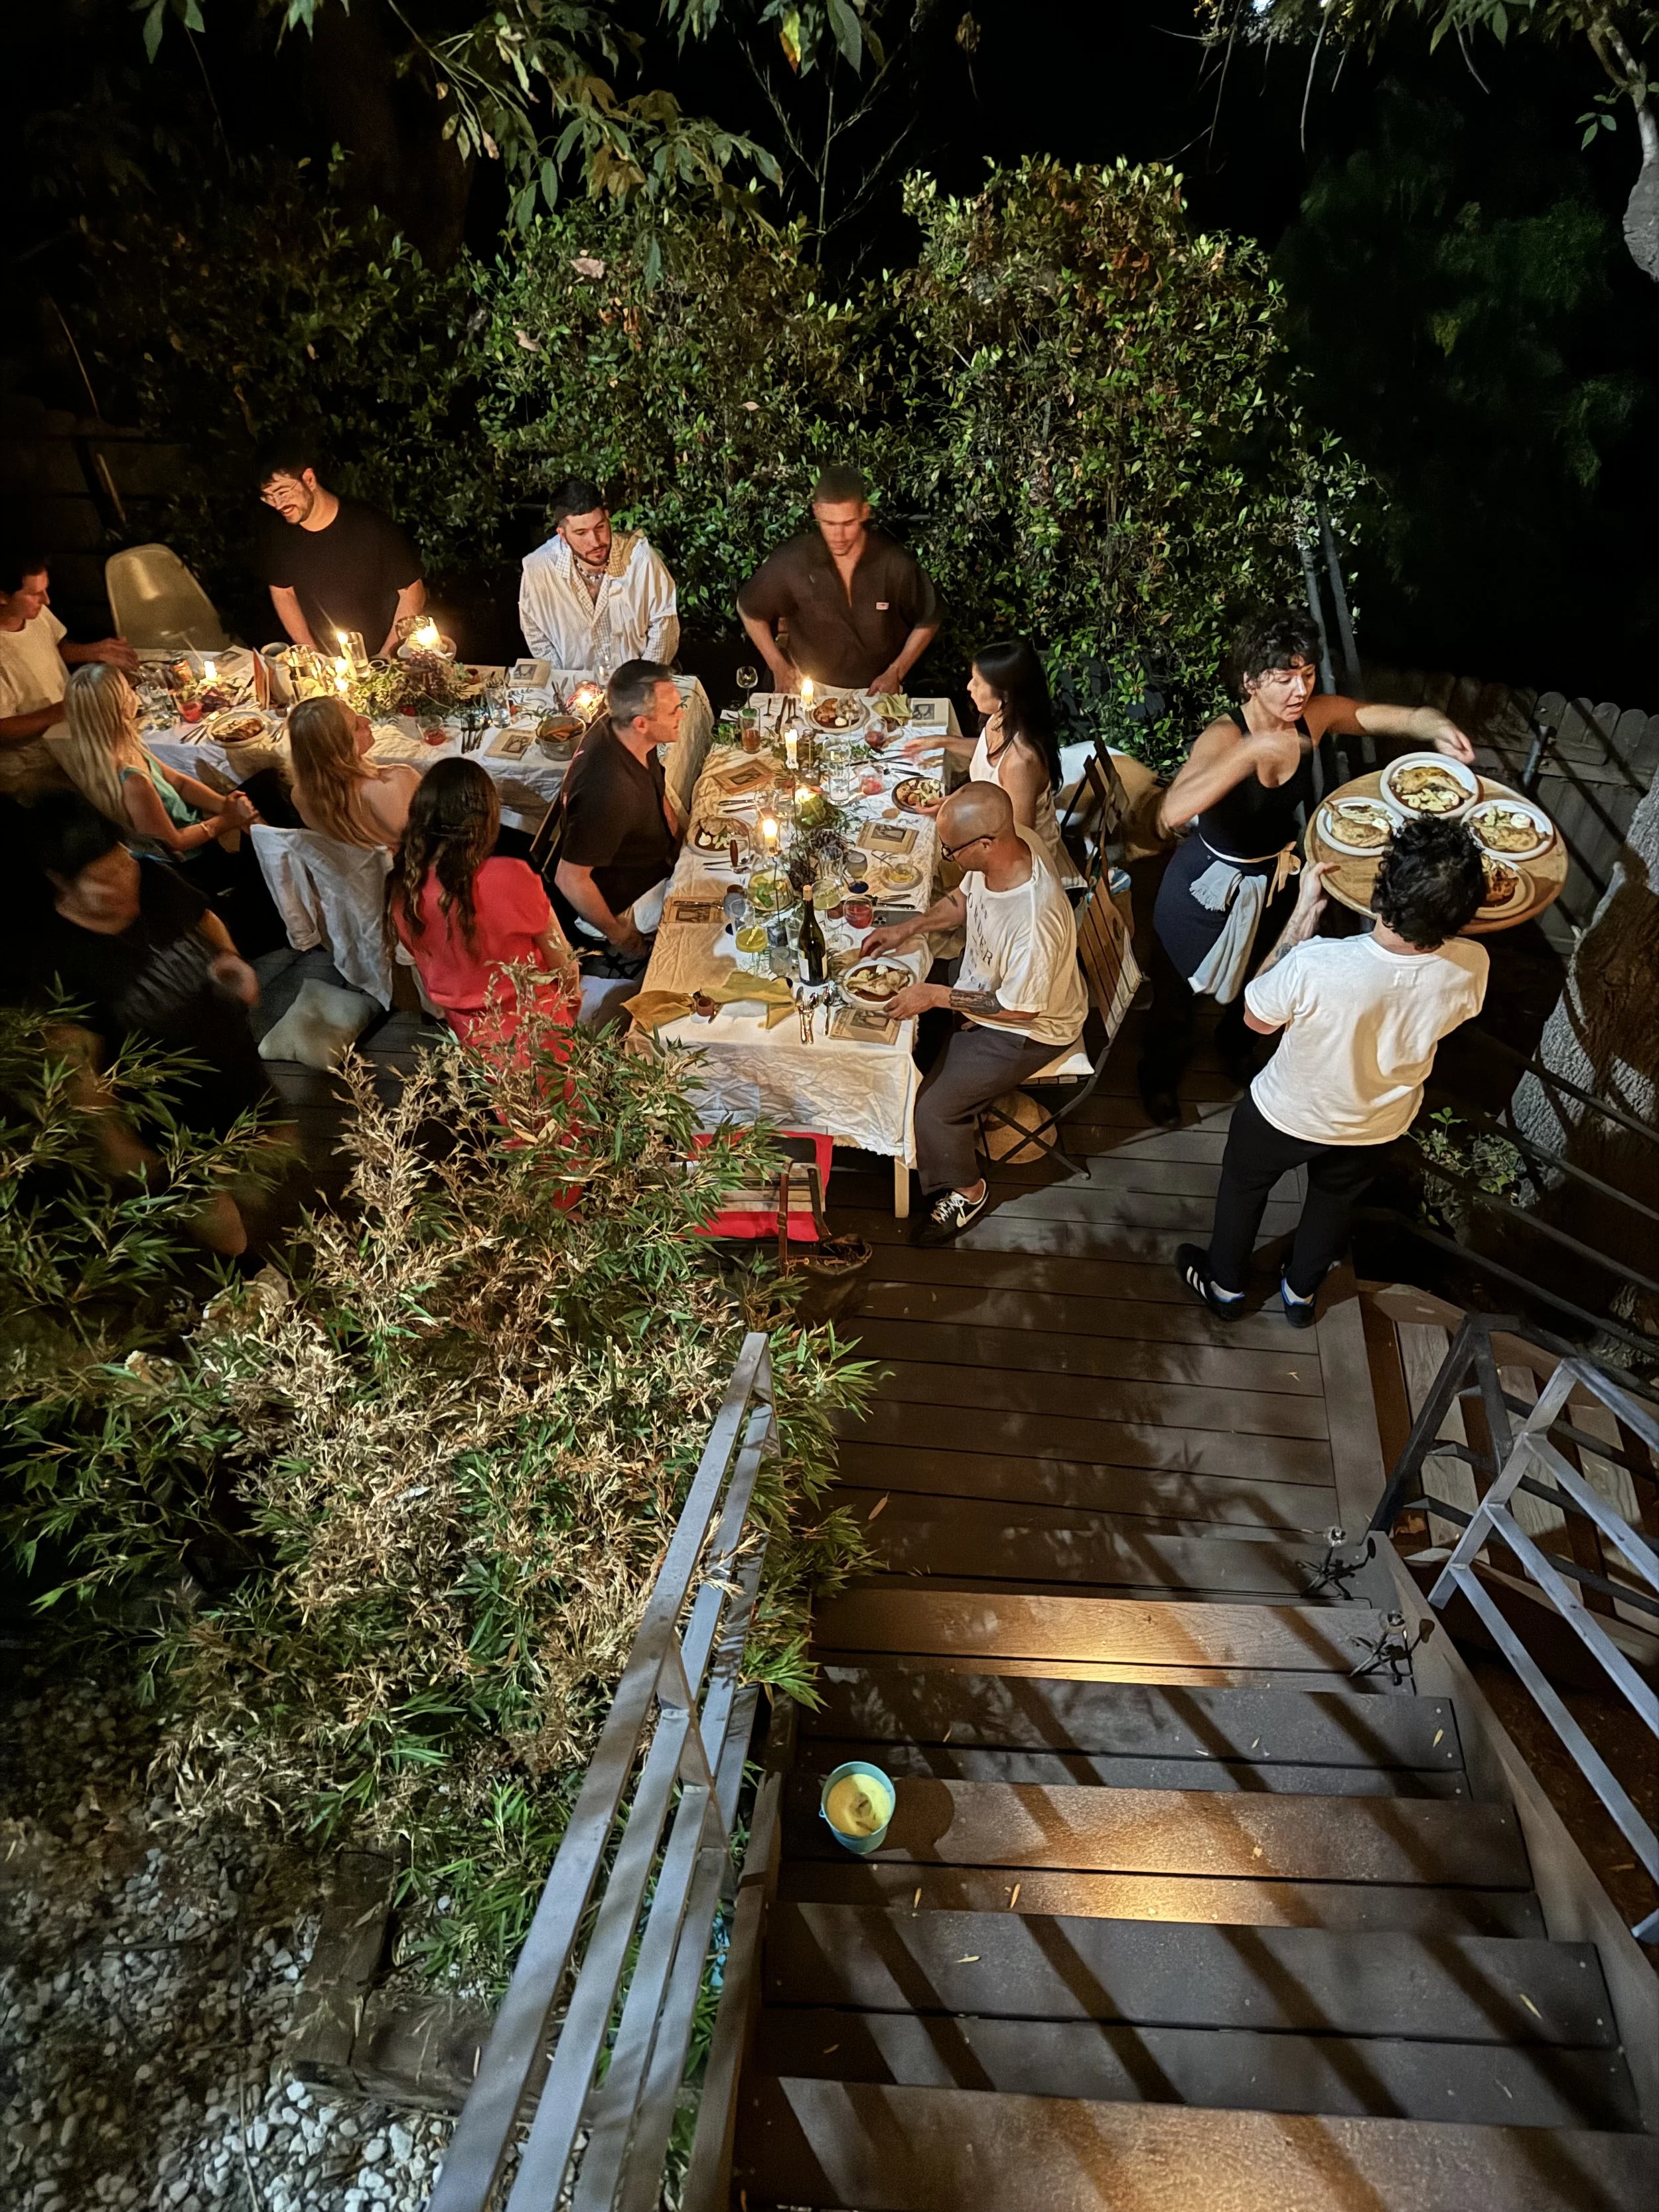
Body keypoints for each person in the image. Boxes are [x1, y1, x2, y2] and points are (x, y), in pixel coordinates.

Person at [1139, 609, 1477, 1126]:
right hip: (1207, 889)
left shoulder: (1312, 717)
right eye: (1285, 677)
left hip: (1274, 881)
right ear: (1252, 682)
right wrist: (1250, 751)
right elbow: (1171, 811)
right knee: (1178, 997)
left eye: (1308, 673)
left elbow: (1390, 717)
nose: (1301, 688)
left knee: (1261, 977)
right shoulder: (1224, 736)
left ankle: (1234, 1048)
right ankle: (1158, 1079)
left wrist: (1437, 724)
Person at [1176, 818, 1488, 1329]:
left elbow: (1255, 1018)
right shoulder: (1472, 964)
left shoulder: (1318, 964)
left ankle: (1226, 1286)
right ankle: (1300, 1295)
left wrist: (1302, 916)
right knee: (1334, 1201)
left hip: (1286, 1110)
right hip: (1377, 1122)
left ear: (1380, 890)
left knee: (1243, 1186)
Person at [862, 782, 1088, 1246]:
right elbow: (963, 901)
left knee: (934, 1108)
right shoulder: (1002, 852)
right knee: (900, 993)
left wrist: (939, 997)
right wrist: (908, 927)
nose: (949, 857)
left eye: (951, 850)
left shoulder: (1034, 917)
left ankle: (968, 1189)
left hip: (1030, 1026)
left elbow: (1020, 1009)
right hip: (984, 983)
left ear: (986, 842)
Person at [388, 758, 579, 1059]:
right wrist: (570, 1006)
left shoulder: (403, 889)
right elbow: (564, 964)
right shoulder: (512, 877)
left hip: (474, 1035)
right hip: (539, 1027)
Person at [737, 465, 940, 694]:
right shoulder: (794, 560)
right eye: (829, 524)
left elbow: (929, 617)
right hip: (810, 688)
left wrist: (896, 671)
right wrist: (779, 667)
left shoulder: (894, 563)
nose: (838, 536)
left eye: (848, 523)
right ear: (817, 512)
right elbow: (749, 609)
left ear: (864, 512)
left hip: (876, 691)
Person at [550, 659, 683, 972]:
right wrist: (622, 936)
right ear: (641, 723)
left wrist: (683, 844)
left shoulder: (622, 732)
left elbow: (658, 790)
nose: (683, 716)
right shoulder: (607, 791)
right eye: (673, 712)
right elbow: (569, 879)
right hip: (626, 896)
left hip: (654, 861)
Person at [59, 662, 257, 859]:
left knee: (255, 796)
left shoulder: (124, 745)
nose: (134, 695)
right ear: (119, 710)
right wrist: (228, 819)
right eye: (128, 691)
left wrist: (226, 805)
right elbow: (175, 843)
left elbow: (180, 783)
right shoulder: (133, 782)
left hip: (199, 823)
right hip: (197, 856)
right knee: (265, 795)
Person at [255, 436, 425, 659]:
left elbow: (413, 592)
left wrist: (387, 655)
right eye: (268, 497)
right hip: (329, 663)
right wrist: (313, 655)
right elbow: (283, 592)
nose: (278, 504)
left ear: (309, 479)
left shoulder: (369, 525)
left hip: (385, 655)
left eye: (283, 492)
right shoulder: (278, 536)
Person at [0, 542, 139, 798]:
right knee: (126, 791)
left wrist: (93, 651)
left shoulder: (33, 613)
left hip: (71, 737)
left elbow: (50, 648)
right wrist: (64, 709)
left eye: (45, 590)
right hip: (32, 767)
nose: (46, 600)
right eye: (34, 594)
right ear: (3, 596)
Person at [518, 477, 680, 674]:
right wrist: (564, 678)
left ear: (607, 516)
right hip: (576, 689)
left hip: (637, 686)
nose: (595, 542)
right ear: (562, 535)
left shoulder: (641, 559)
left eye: (600, 527)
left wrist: (638, 684)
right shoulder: (539, 568)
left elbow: (664, 626)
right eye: (581, 533)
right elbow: (535, 631)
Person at [287, 694, 421, 851]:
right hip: (409, 869)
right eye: (356, 725)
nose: (367, 721)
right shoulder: (398, 781)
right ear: (340, 748)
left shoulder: (300, 795)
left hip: (360, 873)